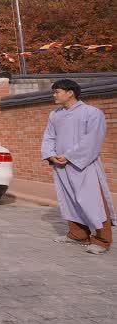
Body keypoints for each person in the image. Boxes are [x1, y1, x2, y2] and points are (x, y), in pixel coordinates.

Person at [42, 79, 115, 254]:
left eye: (57, 91)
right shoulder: (55, 115)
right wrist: (51, 155)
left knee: (93, 201)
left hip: (85, 165)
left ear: (70, 92)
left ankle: (102, 240)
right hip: (60, 165)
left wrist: (69, 156)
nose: (54, 95)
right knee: (69, 200)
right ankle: (78, 234)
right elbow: (49, 137)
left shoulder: (92, 113)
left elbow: (92, 140)